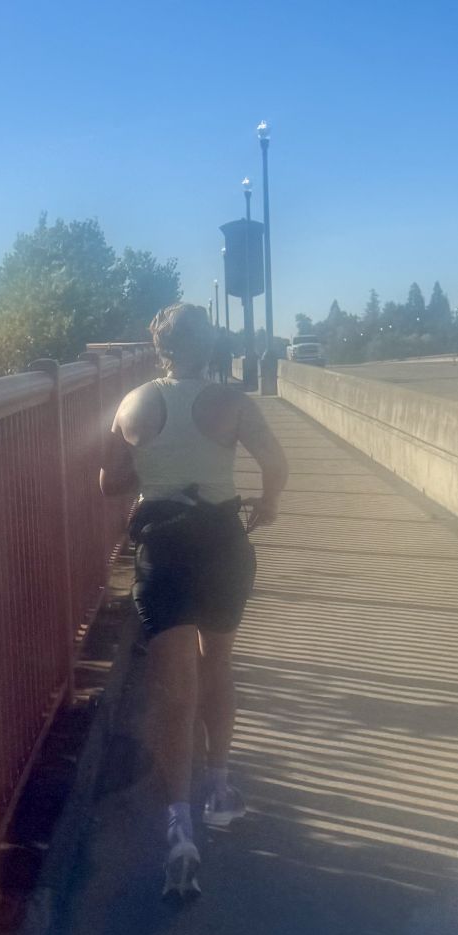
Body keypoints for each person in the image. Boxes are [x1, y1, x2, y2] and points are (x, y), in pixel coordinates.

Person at [99, 303, 288, 900]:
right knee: (217, 665)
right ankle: (220, 791)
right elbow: (275, 464)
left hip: (164, 548)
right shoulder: (232, 401)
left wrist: (155, 469)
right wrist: (268, 505)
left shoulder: (132, 404)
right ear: (209, 346)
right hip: (222, 544)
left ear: (160, 348)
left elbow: (109, 483)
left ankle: (178, 830)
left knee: (173, 693)